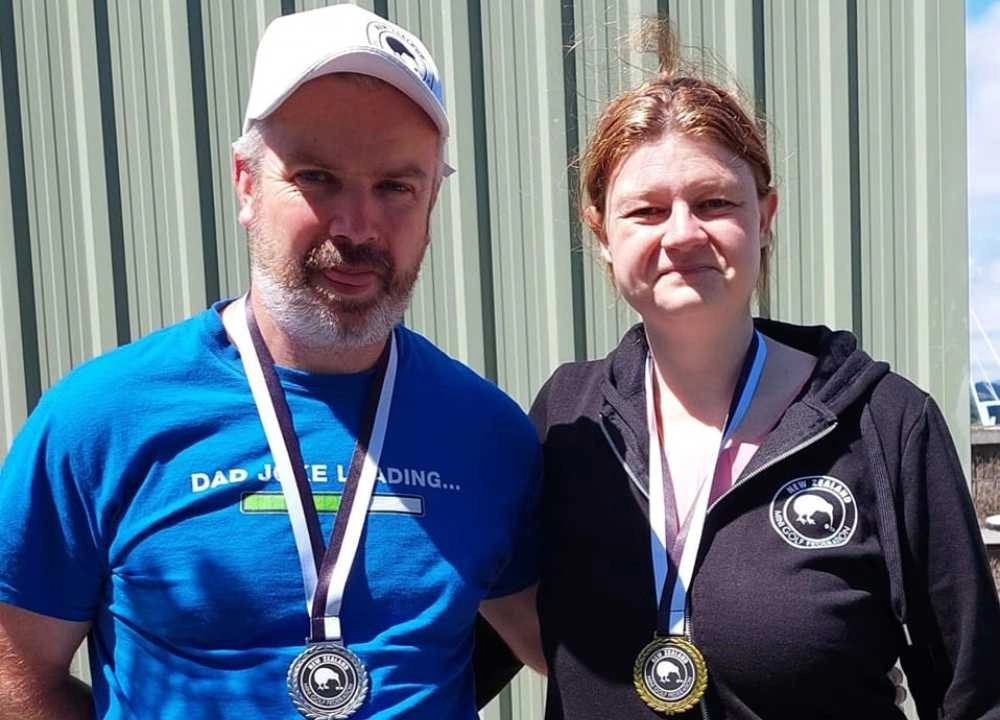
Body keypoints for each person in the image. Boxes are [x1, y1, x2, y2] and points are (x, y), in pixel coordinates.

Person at [0, 5, 543, 719]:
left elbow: (565, 646)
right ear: (246, 184)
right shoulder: (101, 419)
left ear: (433, 199)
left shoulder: (488, 434)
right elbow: (18, 673)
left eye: (395, 187)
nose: (355, 225)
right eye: (317, 177)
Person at [528, 30, 1000, 720]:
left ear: (765, 216)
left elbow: (973, 693)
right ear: (602, 233)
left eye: (714, 202)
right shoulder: (566, 418)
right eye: (647, 210)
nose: (682, 232)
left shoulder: (885, 423)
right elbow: (479, 624)